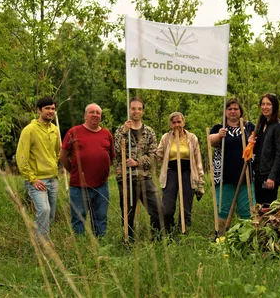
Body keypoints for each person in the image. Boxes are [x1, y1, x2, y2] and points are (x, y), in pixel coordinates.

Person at [60, 103, 115, 237]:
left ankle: (100, 245)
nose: (95, 115)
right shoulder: (74, 132)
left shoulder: (107, 134)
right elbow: (63, 155)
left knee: (101, 219)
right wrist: (73, 170)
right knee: (78, 219)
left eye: (98, 113)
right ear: (85, 115)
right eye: (92, 112)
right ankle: (81, 247)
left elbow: (111, 157)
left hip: (101, 186)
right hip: (79, 186)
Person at [114, 98, 162, 240]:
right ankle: (128, 241)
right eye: (133, 108)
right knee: (128, 213)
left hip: (144, 177)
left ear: (143, 111)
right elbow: (116, 151)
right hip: (126, 178)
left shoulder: (149, 132)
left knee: (157, 208)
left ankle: (157, 237)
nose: (136, 111)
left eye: (139, 109)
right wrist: (124, 132)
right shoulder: (121, 130)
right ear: (129, 110)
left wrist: (138, 162)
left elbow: (154, 155)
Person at [16, 96, 60, 242]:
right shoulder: (29, 130)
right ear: (38, 110)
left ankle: (42, 239)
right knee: (44, 210)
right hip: (37, 180)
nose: (50, 111)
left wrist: (55, 166)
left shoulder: (55, 130)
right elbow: (21, 157)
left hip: (53, 179)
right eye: (47, 108)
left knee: (51, 214)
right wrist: (32, 179)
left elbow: (57, 152)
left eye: (53, 108)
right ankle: (43, 246)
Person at [209, 98, 255, 236]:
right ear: (225, 111)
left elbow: (255, 140)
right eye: (229, 109)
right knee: (223, 209)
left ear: (240, 111)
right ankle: (220, 238)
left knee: (247, 209)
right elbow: (210, 141)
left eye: (235, 109)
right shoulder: (219, 127)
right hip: (224, 176)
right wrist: (219, 136)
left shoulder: (248, 126)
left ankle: (246, 238)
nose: (233, 111)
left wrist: (251, 140)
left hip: (245, 174)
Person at [157, 112, 205, 234]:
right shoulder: (166, 138)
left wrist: (201, 183)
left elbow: (198, 160)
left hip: (188, 173)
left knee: (186, 209)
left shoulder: (192, 138)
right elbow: (158, 155)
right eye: (174, 122)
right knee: (167, 208)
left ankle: (183, 233)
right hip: (171, 173)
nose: (177, 124)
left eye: (179, 122)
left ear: (183, 122)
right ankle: (169, 232)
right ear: (170, 125)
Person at [251, 93, 280, 207]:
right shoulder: (262, 125)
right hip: (258, 174)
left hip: (269, 176)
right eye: (263, 104)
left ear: (274, 106)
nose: (265, 107)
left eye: (268, 104)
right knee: (258, 208)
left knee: (267, 210)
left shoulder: (279, 127)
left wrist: (272, 177)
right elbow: (259, 151)